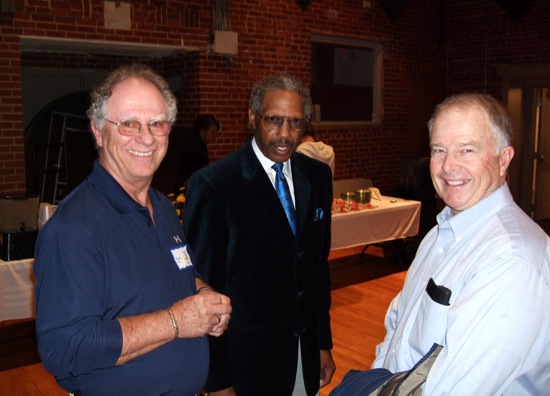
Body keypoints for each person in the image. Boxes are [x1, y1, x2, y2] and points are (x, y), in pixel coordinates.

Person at [33, 64, 232, 396]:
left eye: (157, 123)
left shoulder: (163, 207)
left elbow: (180, 272)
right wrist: (175, 322)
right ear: (98, 131)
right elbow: (63, 348)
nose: (146, 137)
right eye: (129, 124)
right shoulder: (74, 227)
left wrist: (204, 294)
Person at [355, 93, 549, 395]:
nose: (448, 166)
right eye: (439, 150)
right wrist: (378, 380)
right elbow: (398, 324)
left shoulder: (512, 260)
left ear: (503, 160)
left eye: (467, 150)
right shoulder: (440, 233)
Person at [182, 72, 336, 395]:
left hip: (303, 354)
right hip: (246, 364)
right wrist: (218, 382)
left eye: (295, 122)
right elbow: (203, 291)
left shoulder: (318, 177)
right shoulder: (214, 185)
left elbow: (317, 271)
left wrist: (322, 342)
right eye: (273, 120)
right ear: (252, 117)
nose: (285, 134)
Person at [175, 114, 220, 192]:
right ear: (202, 132)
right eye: (212, 133)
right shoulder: (197, 148)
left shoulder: (195, 144)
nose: (214, 136)